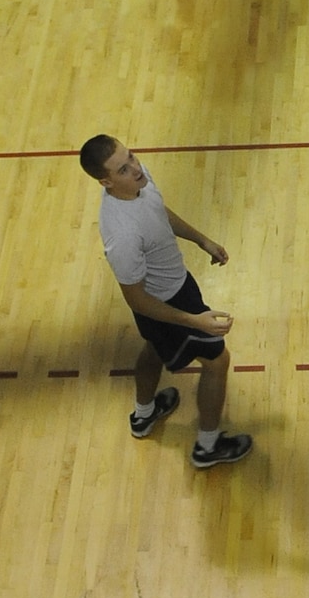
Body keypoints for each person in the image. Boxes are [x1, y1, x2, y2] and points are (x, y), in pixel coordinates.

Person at [78, 135, 253, 469]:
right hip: (166, 304)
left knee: (154, 349)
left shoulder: (138, 182)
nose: (136, 168)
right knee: (217, 362)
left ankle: (144, 415)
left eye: (131, 157)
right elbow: (138, 301)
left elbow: (158, 211)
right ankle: (207, 447)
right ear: (106, 182)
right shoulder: (122, 237)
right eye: (123, 168)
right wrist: (195, 320)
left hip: (178, 286)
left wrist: (202, 239)